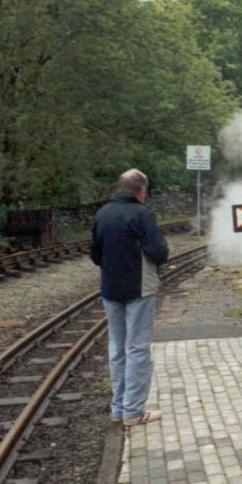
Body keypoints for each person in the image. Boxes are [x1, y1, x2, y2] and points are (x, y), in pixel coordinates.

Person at [90, 169, 169, 427]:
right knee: (137, 348)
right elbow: (158, 251)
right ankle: (133, 411)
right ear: (140, 191)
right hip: (139, 288)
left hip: (110, 289)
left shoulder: (102, 214)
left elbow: (95, 254)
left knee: (117, 348)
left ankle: (118, 408)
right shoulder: (142, 214)